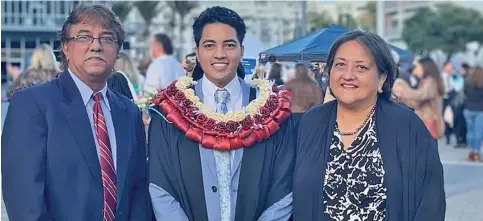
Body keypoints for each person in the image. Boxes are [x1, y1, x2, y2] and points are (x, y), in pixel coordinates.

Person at [1, 4, 151, 221]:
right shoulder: (32, 105)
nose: (95, 46)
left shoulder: (129, 111)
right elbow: (26, 204)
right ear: (65, 48)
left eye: (107, 38)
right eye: (84, 37)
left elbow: (137, 193)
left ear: (117, 50)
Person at [148, 6, 295, 221]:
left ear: (241, 51)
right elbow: (160, 186)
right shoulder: (170, 113)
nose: (220, 54)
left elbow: (283, 188)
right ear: (197, 52)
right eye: (209, 45)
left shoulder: (272, 112)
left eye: (229, 45)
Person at [293, 30, 445, 221]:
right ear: (329, 71)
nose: (348, 75)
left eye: (361, 67)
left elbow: (430, 202)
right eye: (340, 65)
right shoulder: (311, 121)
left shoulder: (406, 126)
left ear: (381, 78)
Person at [393, 57, 445, 140]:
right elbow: (417, 103)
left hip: (428, 120)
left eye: (417, 67)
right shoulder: (426, 81)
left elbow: (421, 95)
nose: (415, 70)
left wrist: (403, 89)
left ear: (425, 67)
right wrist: (402, 97)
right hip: (424, 119)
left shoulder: (430, 81)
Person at [284, 63, 323, 128]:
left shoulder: (290, 84)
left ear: (295, 72)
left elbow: (283, 99)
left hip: (292, 114)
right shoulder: (313, 84)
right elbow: (319, 101)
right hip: (309, 114)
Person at [463, 66, 483, 161]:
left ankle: (471, 150)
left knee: (470, 131)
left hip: (468, 109)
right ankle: (476, 151)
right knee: (478, 132)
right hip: (480, 110)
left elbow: (465, 94)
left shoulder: (467, 82)